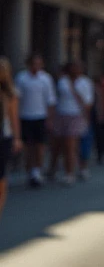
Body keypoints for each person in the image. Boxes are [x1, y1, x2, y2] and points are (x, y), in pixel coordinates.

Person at [49, 61, 94, 185]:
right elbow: (54, 99)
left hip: (76, 115)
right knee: (58, 145)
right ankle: (54, 168)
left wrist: (87, 117)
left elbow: (88, 103)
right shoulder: (62, 81)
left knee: (71, 144)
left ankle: (70, 173)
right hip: (61, 114)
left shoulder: (85, 82)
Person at [15, 53, 56, 187]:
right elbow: (17, 99)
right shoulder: (21, 78)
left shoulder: (45, 78)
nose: (36, 66)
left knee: (39, 145)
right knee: (28, 146)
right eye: (33, 64)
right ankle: (29, 171)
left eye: (38, 64)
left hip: (40, 116)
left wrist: (50, 118)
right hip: (25, 116)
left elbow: (50, 100)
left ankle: (37, 170)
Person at [0, 58, 22, 222]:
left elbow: (14, 117)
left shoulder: (10, 93)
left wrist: (16, 138)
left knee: (1, 175)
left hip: (4, 137)